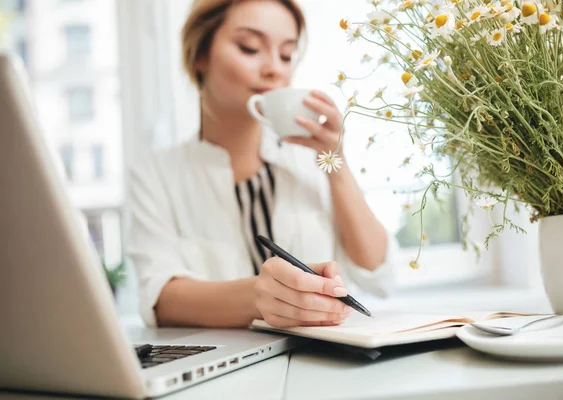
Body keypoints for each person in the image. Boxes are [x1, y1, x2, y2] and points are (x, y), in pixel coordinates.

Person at [127, 0, 400, 329]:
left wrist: (335, 164)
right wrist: (259, 296)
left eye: (286, 55)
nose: (275, 69)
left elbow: (379, 275)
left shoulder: (312, 162)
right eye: (250, 48)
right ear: (200, 54)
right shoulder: (156, 173)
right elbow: (159, 299)